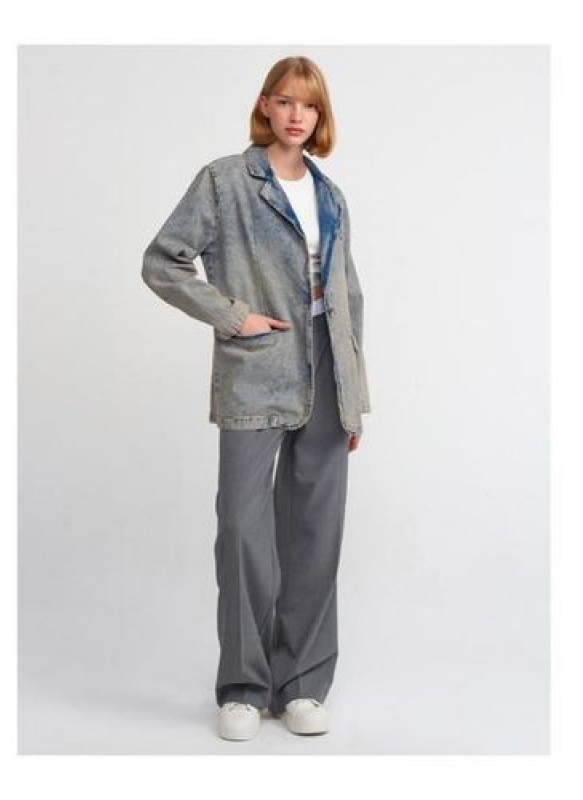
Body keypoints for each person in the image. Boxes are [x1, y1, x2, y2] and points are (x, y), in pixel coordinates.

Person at [141, 55, 371, 741]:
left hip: (327, 369)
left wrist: (354, 395)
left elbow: (349, 297)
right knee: (243, 528)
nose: (298, 115)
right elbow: (163, 260)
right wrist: (232, 315)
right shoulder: (225, 182)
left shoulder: (331, 196)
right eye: (286, 101)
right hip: (257, 367)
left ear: (320, 116)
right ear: (265, 105)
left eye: (310, 105)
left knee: (316, 531)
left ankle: (302, 684)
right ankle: (243, 687)